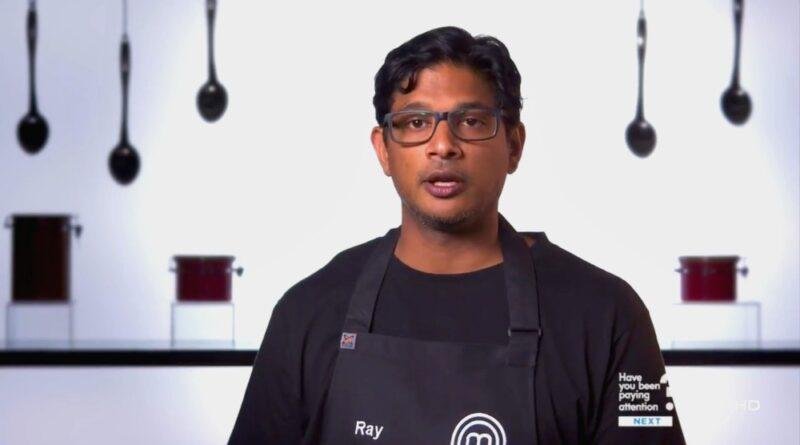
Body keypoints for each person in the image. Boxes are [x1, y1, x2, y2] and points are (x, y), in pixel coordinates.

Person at [229, 26, 686, 444]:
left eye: (471, 121)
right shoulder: (307, 312)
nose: (443, 145)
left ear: (514, 145)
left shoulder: (608, 316)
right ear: (383, 150)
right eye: (415, 122)